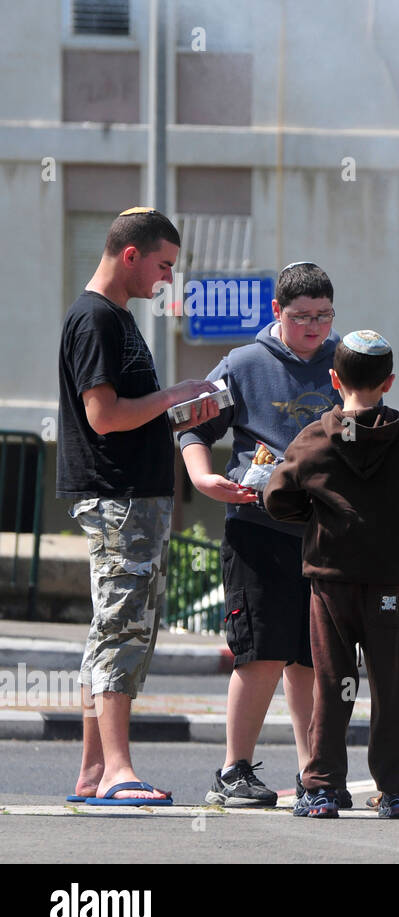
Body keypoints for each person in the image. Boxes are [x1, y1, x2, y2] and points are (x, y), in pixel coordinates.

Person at [57, 207, 219, 805]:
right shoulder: (96, 318)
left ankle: (95, 773)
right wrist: (174, 393)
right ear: (132, 255)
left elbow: (128, 412)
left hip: (132, 498)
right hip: (117, 499)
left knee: (118, 631)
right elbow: (102, 417)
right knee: (120, 631)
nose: (169, 279)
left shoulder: (115, 317)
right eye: (165, 265)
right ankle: (118, 771)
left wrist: (176, 409)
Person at [179, 262, 342, 807]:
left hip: (323, 534)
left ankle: (311, 774)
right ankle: (233, 772)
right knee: (260, 652)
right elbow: (195, 427)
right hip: (257, 529)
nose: (314, 328)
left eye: (323, 316)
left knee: (312, 659)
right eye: (302, 318)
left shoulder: (343, 361)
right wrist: (204, 478)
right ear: (277, 313)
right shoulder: (244, 364)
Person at [264, 330, 399, 819]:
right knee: (391, 683)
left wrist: (319, 517)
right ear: (388, 382)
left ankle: (322, 786)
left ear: (333, 378)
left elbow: (276, 497)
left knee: (332, 682)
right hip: (386, 582)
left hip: (331, 580)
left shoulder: (315, 437)